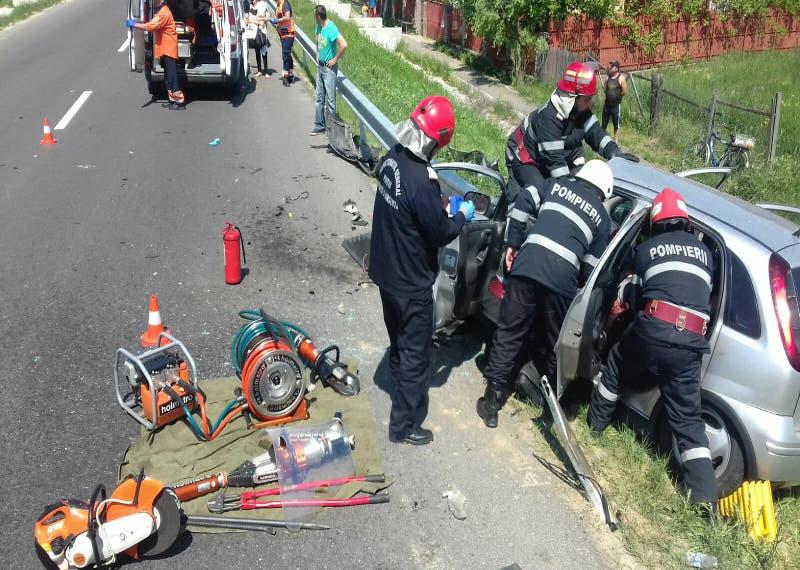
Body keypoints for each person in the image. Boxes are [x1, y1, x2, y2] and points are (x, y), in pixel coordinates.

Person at [587, 188, 718, 506]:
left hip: (654, 331)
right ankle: (704, 500)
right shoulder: (708, 255)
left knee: (617, 362)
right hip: (690, 343)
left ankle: (596, 427)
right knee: (688, 419)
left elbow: (634, 296)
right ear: (686, 223)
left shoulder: (648, 249)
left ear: (656, 223)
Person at [369, 96, 476, 446]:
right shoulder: (421, 180)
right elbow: (442, 232)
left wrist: (437, 205)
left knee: (398, 341)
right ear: (437, 140)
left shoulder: (392, 160)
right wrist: (462, 214)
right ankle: (402, 426)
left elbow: (410, 211)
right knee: (417, 355)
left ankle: (401, 381)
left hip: (385, 273)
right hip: (411, 283)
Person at [476, 160, 613, 428]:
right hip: (561, 284)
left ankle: (491, 404)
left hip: (527, 267)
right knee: (554, 345)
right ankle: (550, 411)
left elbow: (524, 202)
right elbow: (590, 268)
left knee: (509, 332)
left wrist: (513, 244)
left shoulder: (554, 185)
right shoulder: (602, 218)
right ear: (602, 193)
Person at [505, 61, 638, 206]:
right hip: (527, 160)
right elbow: (555, 164)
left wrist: (615, 153)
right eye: (587, 99)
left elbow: (596, 133)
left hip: (553, 159)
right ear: (572, 97)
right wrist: (571, 195)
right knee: (535, 195)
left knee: (580, 188)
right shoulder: (549, 118)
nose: (590, 103)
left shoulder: (579, 111)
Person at [128, 0, 186, 109]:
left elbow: (150, 26)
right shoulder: (161, 11)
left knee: (172, 76)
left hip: (169, 48)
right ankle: (172, 100)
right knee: (168, 76)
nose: (154, 2)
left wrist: (134, 24)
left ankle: (179, 102)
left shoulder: (164, 13)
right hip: (165, 48)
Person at [311, 5, 347, 135]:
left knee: (330, 100)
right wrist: (317, 52)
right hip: (320, 66)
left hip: (329, 69)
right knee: (319, 98)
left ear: (319, 17)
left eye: (315, 16)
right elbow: (318, 40)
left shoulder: (331, 28)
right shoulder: (318, 27)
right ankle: (319, 125)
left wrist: (335, 59)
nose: (314, 18)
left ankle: (331, 130)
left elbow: (344, 44)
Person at [602, 61, 627, 144]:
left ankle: (616, 141)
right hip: (607, 104)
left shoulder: (621, 78)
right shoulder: (607, 78)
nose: (610, 68)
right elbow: (605, 89)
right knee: (604, 123)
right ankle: (602, 140)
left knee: (616, 124)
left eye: (611, 66)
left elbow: (624, 91)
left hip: (616, 105)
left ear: (616, 68)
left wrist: (617, 97)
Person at [271, 0, 295, 86]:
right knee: (287, 54)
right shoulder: (278, 5)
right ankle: (291, 75)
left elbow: (287, 17)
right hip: (282, 33)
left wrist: (277, 20)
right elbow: (278, 18)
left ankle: (285, 77)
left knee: (285, 55)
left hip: (288, 33)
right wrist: (274, 21)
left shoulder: (285, 4)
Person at [246, 0, 270, 77]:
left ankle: (266, 71)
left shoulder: (263, 7)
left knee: (264, 51)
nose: (253, 1)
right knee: (257, 51)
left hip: (262, 32)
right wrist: (254, 20)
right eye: (252, 1)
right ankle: (259, 70)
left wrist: (255, 20)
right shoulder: (252, 9)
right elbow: (248, 20)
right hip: (254, 33)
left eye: (254, 0)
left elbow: (264, 22)